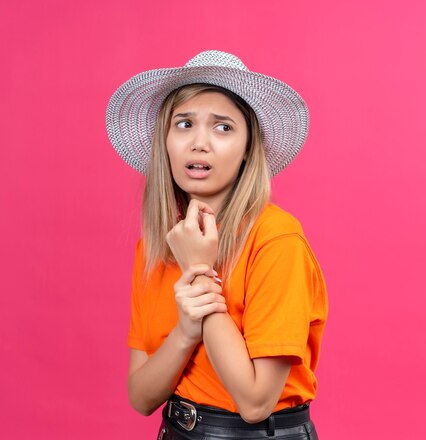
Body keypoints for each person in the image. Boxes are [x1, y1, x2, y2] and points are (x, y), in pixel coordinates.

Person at [106, 50, 328, 440]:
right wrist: (186, 331)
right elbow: (140, 397)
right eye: (184, 123)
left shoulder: (276, 239)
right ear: (166, 141)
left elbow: (256, 401)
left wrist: (198, 274)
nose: (200, 142)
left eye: (223, 127)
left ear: (246, 150)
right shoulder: (159, 245)